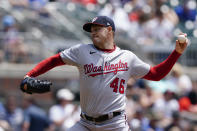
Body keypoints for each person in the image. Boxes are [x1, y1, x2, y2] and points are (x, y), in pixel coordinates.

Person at [20, 16, 188, 131]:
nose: (93, 32)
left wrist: (176, 53)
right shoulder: (81, 51)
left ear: (109, 31)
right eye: (91, 29)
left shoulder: (127, 57)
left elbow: (156, 74)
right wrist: (30, 75)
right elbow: (54, 60)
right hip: (85, 123)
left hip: (114, 124)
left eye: (97, 28)